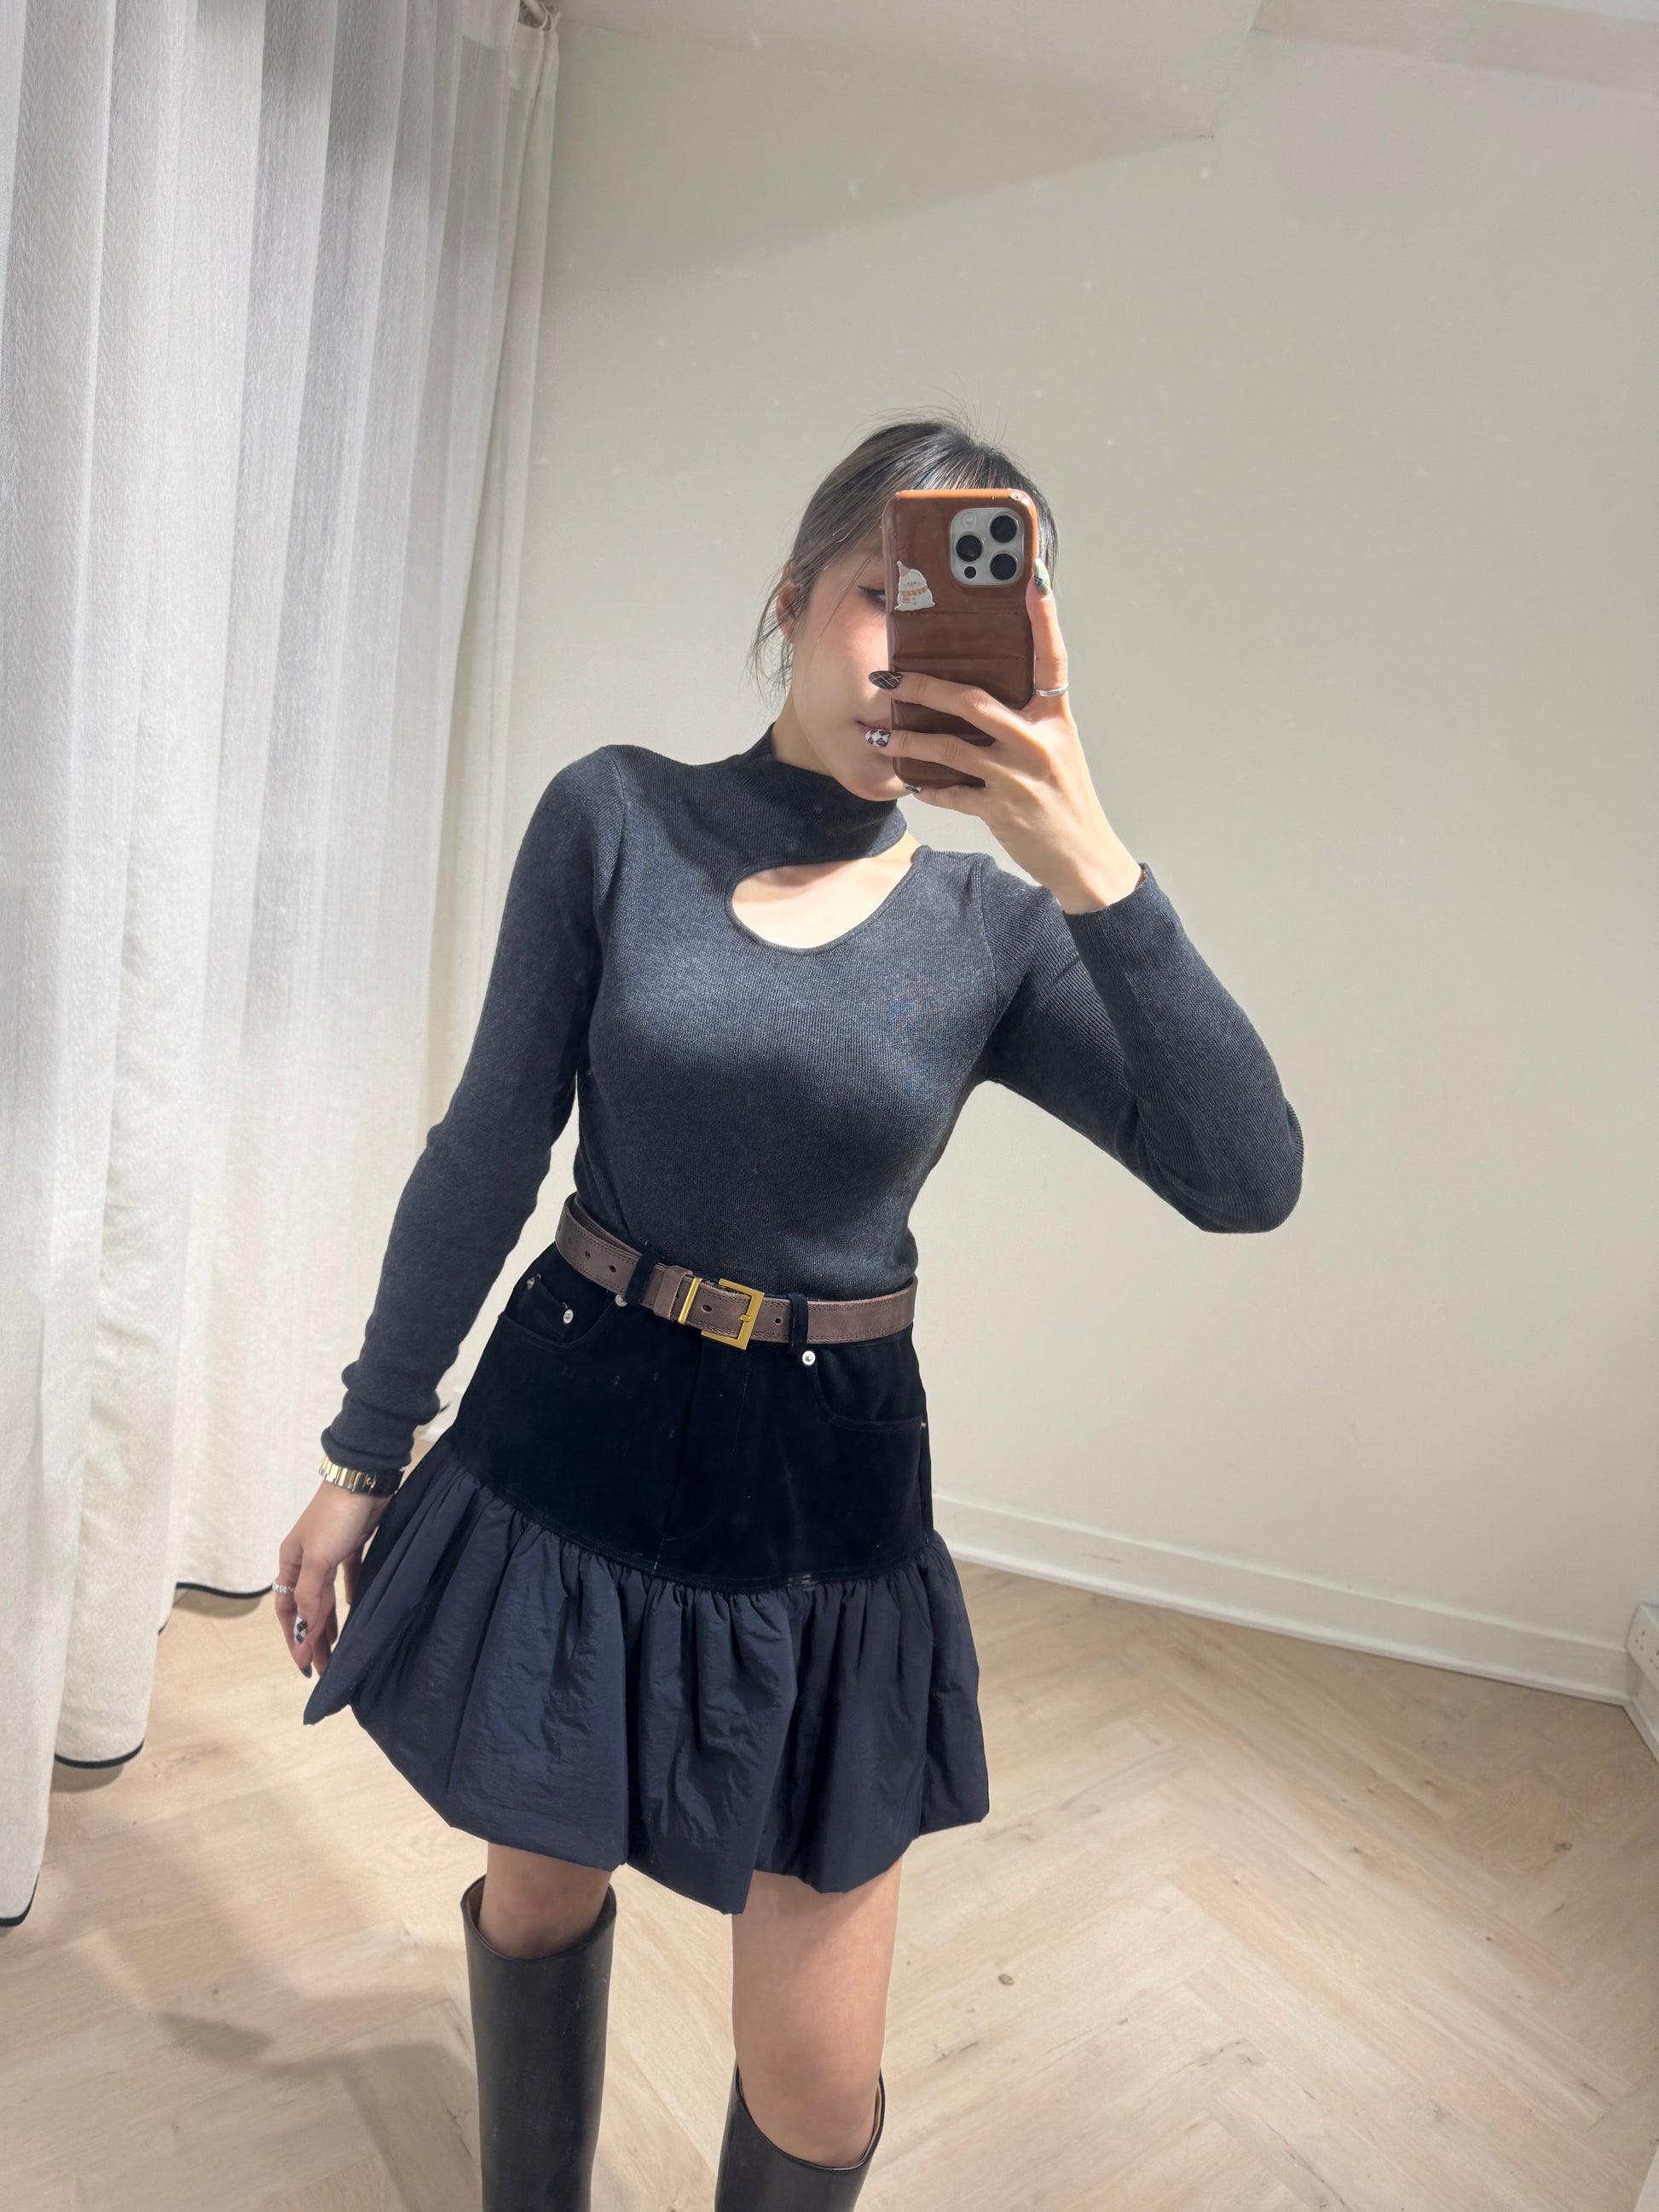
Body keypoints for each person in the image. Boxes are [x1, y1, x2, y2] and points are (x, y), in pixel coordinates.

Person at [275, 414, 1303, 2210]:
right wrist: (368, 1443)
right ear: (795, 597)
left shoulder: (994, 928)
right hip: (571, 1426)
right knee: (538, 1891)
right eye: (885, 594)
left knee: (816, 2085)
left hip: (819, 1497)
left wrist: (1091, 862)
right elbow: (487, 1145)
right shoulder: (615, 816)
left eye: (986, 610)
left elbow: (1246, 1173)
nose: (917, 647)